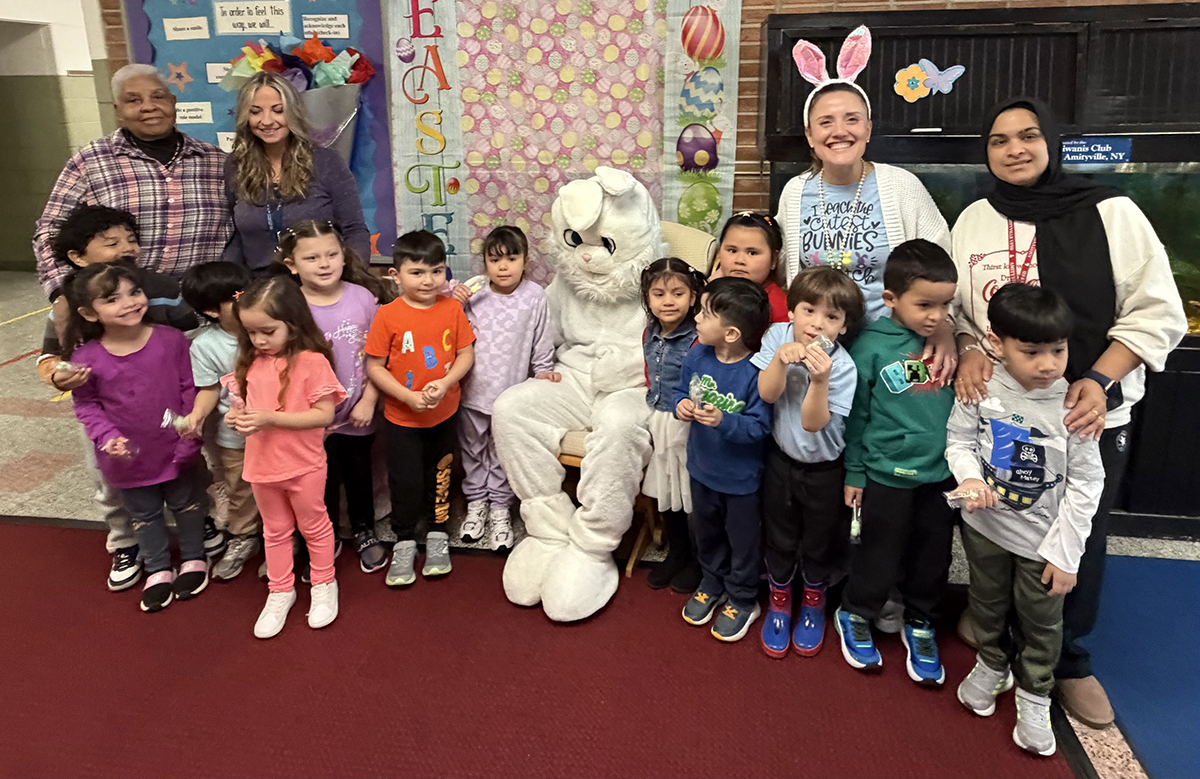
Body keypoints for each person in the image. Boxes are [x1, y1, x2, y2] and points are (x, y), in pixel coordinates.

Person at [951, 97, 1188, 728]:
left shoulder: (1111, 212)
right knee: (997, 516)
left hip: (1084, 413)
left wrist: (1100, 379)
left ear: (1052, 141)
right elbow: (961, 310)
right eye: (999, 140)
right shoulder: (975, 217)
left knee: (1075, 532)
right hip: (1000, 411)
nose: (1015, 149)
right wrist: (972, 347)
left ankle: (1067, 660)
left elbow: (1157, 311)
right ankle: (996, 630)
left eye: (1029, 136)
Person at [947, 284, 1105, 757]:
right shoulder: (979, 387)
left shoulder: (1074, 405)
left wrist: (1067, 553)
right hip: (985, 530)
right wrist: (970, 479)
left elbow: (1086, 485)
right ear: (996, 343)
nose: (1048, 364)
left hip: (1043, 542)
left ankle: (1035, 692)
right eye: (1031, 351)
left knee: (1042, 622)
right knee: (986, 603)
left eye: (1057, 350)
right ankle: (992, 664)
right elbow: (958, 441)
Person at [37, 204, 219, 591]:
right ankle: (133, 548)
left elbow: (191, 356)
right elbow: (55, 363)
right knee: (122, 495)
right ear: (78, 257)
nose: (127, 248)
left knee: (187, 488)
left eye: (131, 240)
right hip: (120, 437)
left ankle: (194, 546)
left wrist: (192, 417)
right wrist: (60, 377)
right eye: (111, 243)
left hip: (172, 430)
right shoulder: (69, 312)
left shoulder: (163, 299)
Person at [834, 239, 958, 684]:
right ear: (890, 299)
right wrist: (854, 471)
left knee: (933, 556)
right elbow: (856, 417)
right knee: (878, 552)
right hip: (886, 473)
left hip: (942, 475)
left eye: (946, 304)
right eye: (925, 304)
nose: (937, 315)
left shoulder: (950, 342)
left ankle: (921, 620)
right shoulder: (869, 347)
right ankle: (857, 613)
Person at [774, 80, 955, 380]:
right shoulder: (795, 192)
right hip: (817, 348)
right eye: (825, 122)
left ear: (868, 129)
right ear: (810, 135)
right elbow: (782, 268)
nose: (839, 131)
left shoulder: (902, 186)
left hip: (893, 345)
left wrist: (944, 326)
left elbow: (940, 263)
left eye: (852, 119)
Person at [35, 64, 231, 338]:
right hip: (119, 321)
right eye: (133, 100)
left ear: (173, 102)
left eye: (158, 97)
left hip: (203, 319)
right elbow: (50, 230)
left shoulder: (215, 162)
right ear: (117, 109)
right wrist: (61, 292)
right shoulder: (90, 162)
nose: (148, 107)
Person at [63, 263, 210, 613]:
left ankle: (194, 557)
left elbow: (189, 386)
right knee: (144, 515)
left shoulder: (170, 339)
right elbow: (86, 406)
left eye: (134, 292)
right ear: (88, 312)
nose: (129, 303)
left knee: (188, 504)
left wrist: (191, 424)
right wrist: (107, 438)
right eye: (112, 299)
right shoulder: (86, 358)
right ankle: (157, 567)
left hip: (176, 447)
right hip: (127, 457)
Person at [753, 267, 865, 658]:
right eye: (809, 311)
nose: (817, 324)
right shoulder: (776, 336)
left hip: (824, 469)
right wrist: (780, 363)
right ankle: (780, 600)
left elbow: (813, 423)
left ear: (844, 326)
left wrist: (819, 381)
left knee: (820, 541)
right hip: (781, 460)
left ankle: (814, 602)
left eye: (831, 317)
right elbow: (767, 396)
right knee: (779, 534)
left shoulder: (843, 368)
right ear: (791, 312)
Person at [228, 276, 347, 638]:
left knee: (314, 526)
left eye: (267, 331)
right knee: (275, 531)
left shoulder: (311, 362)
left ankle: (324, 583)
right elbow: (243, 411)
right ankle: (280, 590)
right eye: (251, 333)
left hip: (305, 465)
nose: (259, 341)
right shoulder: (250, 364)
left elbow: (324, 415)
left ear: (293, 325)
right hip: (262, 467)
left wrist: (270, 418)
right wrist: (237, 418)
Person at [276, 219, 392, 574]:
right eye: (312, 258)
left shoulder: (363, 298)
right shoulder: (287, 303)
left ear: (344, 256)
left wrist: (370, 399)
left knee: (359, 474)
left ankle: (363, 529)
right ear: (292, 265)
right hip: (310, 417)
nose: (324, 264)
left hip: (357, 409)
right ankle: (320, 536)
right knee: (317, 481)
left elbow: (380, 354)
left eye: (332, 254)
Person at [365, 231, 475, 587]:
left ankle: (439, 532)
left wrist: (444, 384)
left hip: (444, 412)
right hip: (402, 417)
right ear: (396, 275)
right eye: (417, 272)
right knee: (405, 479)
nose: (428, 281)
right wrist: (408, 397)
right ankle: (405, 539)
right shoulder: (387, 316)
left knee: (441, 474)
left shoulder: (452, 309)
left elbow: (465, 354)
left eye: (437, 271)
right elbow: (375, 367)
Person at [674, 277, 773, 643]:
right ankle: (712, 581)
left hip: (742, 480)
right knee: (707, 531)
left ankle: (744, 597)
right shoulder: (698, 354)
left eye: (704, 313)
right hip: (701, 469)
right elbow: (681, 390)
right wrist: (680, 405)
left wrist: (724, 420)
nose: (695, 318)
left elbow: (760, 427)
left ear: (731, 333)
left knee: (743, 541)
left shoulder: (756, 371)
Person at [449, 226, 557, 552]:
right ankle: (476, 504)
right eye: (495, 260)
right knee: (472, 452)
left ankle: (499, 508)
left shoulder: (535, 296)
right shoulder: (471, 293)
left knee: (501, 455)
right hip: (471, 392)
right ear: (484, 263)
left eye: (512, 258)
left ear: (526, 260)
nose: (504, 267)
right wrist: (453, 303)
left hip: (510, 398)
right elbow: (446, 330)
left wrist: (544, 371)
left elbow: (541, 339)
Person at [222, 72, 370, 275]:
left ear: (293, 112)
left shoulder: (326, 161)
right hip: (260, 291)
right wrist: (231, 287)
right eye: (255, 112)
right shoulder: (235, 165)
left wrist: (353, 283)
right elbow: (238, 237)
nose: (266, 121)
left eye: (278, 110)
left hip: (321, 286)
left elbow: (354, 230)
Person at [181, 261, 262, 581]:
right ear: (213, 311)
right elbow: (209, 388)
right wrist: (197, 417)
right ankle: (244, 536)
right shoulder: (205, 345)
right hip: (237, 437)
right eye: (236, 296)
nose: (245, 299)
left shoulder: (272, 328)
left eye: (247, 291)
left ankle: (282, 539)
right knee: (241, 489)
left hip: (280, 432)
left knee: (283, 488)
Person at [638, 258, 706, 591]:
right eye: (659, 294)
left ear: (693, 297)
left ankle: (698, 559)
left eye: (678, 293)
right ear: (647, 298)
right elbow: (651, 374)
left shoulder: (697, 337)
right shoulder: (649, 333)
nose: (668, 301)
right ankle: (676, 553)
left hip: (688, 424)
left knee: (690, 491)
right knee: (667, 488)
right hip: (659, 418)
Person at [708, 212, 791, 323]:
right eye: (732, 251)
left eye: (752, 253)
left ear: (774, 259)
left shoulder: (779, 307)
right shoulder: (708, 291)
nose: (739, 260)